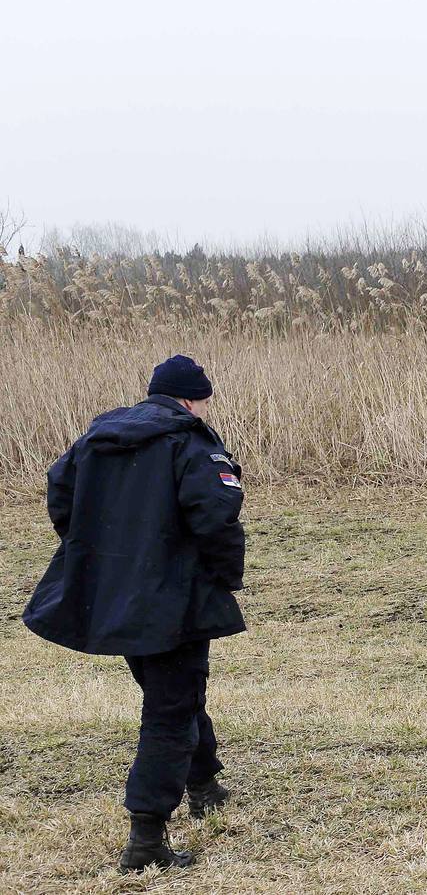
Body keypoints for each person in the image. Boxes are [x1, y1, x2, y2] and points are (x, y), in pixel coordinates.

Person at [23, 355, 247, 871]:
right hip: (172, 596)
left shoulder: (98, 437)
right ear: (191, 399)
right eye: (203, 401)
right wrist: (226, 576)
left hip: (112, 592)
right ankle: (146, 838)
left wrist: (95, 553)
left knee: (173, 688)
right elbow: (217, 518)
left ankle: (204, 782)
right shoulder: (190, 441)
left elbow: (60, 494)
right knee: (170, 708)